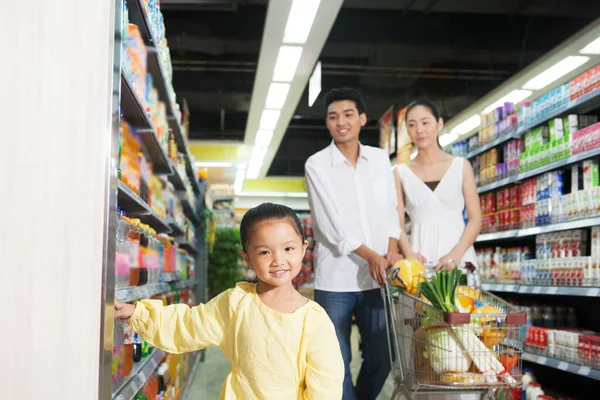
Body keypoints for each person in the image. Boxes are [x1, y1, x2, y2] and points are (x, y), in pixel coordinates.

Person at [114, 203, 344, 399]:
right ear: (247, 258)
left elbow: (326, 386)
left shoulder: (314, 320)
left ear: (304, 249)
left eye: (288, 248)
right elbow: (189, 324)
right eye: (265, 252)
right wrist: (138, 313)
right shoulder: (236, 303)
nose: (278, 260)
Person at [305, 87, 402, 400]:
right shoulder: (317, 165)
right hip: (335, 279)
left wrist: (389, 250)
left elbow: (390, 209)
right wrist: (371, 255)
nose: (340, 122)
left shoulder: (378, 158)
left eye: (348, 115)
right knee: (335, 361)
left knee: (382, 356)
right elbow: (330, 224)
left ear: (362, 118)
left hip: (378, 277)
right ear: (327, 123)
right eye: (333, 117)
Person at [394, 100, 481, 272]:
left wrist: (456, 254)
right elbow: (396, 224)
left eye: (425, 122)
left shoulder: (461, 166)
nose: (419, 130)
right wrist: (410, 255)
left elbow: (475, 219)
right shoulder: (400, 172)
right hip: (420, 263)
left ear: (439, 124)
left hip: (460, 260)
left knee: (461, 299)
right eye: (412, 125)